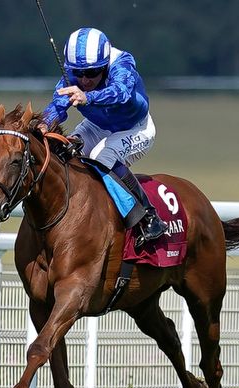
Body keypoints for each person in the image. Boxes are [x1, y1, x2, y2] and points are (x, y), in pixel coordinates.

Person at [38, 27, 168, 247]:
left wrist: (87, 97)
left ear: (105, 64)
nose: (84, 79)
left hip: (135, 128)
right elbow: (58, 106)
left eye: (92, 72)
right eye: (78, 74)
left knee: (101, 156)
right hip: (96, 125)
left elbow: (121, 92)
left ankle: (148, 217)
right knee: (66, 152)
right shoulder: (71, 75)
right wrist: (44, 123)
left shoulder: (123, 62)